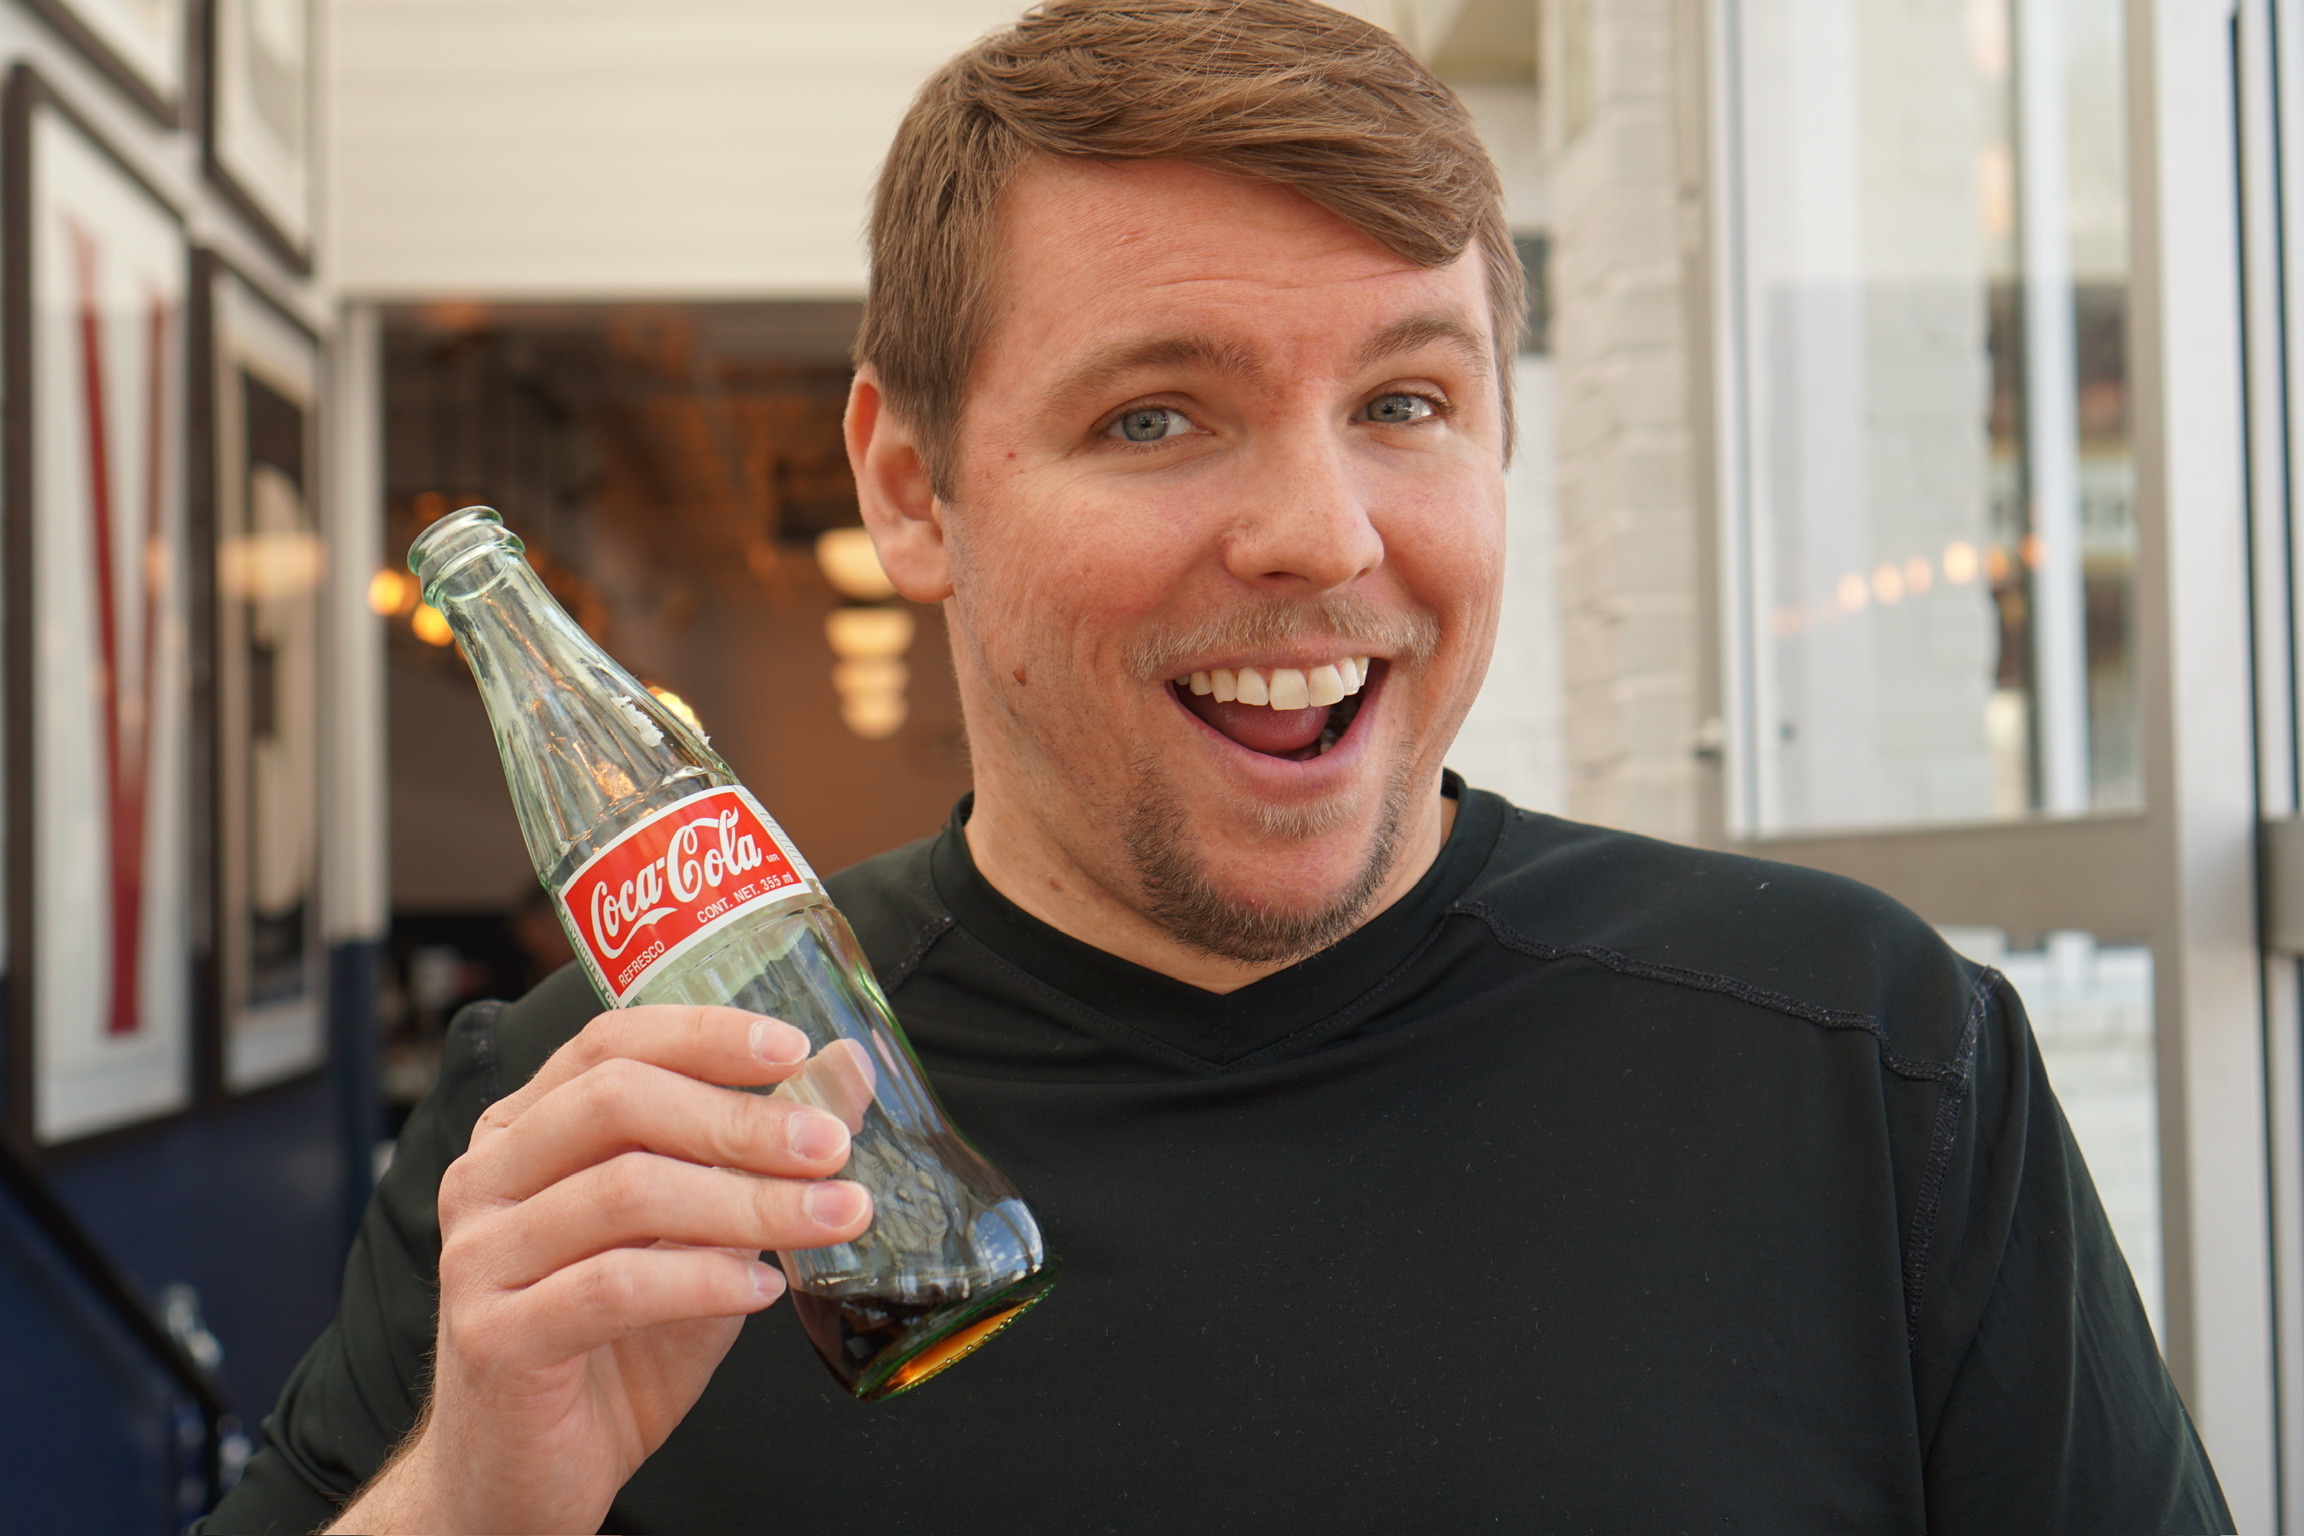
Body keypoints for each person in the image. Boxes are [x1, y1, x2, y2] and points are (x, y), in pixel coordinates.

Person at [200, 2, 2229, 1531]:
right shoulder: (605, 1124)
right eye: (1159, 418)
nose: (1324, 539)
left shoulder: (1866, 1061)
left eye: (1408, 399)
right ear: (911, 489)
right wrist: (473, 1491)